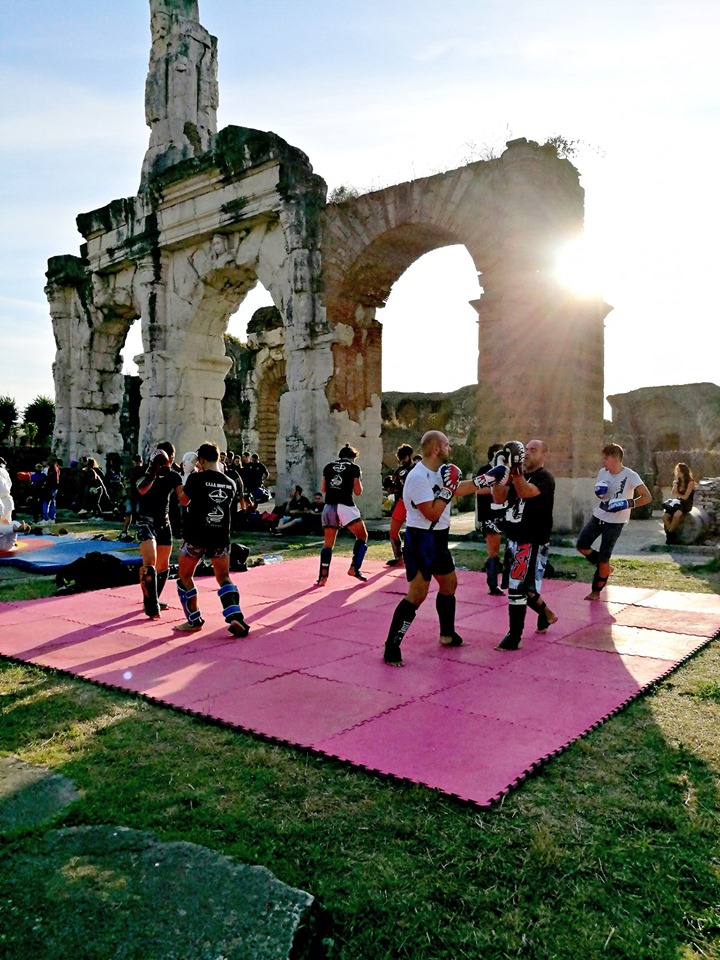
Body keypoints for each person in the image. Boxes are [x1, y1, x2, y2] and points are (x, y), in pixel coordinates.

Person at [382, 430, 484, 666]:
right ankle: (391, 646)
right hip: (421, 540)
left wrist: (486, 479)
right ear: (437, 448)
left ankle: (447, 634)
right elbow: (431, 513)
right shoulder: (417, 477)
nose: (451, 449)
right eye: (447, 445)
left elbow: (457, 488)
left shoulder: (439, 472)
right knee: (417, 594)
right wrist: (448, 490)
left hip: (439, 539)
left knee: (450, 584)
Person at [488, 439, 558, 651]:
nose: (527, 453)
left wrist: (516, 470)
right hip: (514, 537)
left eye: (533, 450)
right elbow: (499, 498)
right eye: (526, 449)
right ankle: (547, 614)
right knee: (519, 585)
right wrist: (499, 473)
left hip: (533, 539)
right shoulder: (517, 474)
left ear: (544, 456)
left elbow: (525, 492)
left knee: (518, 587)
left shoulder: (545, 478)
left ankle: (514, 635)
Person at [174, 441, 250, 637]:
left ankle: (194, 620)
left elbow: (183, 500)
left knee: (184, 576)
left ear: (200, 460)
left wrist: (187, 475)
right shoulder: (230, 482)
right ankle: (236, 615)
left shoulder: (196, 480)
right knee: (223, 577)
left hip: (196, 534)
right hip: (220, 535)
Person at [576, 442, 652, 601]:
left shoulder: (631, 475)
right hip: (599, 514)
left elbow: (647, 497)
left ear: (616, 458)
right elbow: (602, 495)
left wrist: (628, 503)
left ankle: (596, 591)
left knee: (604, 556)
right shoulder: (602, 473)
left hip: (616, 520)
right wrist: (599, 493)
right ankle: (605, 568)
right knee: (581, 545)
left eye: (606, 458)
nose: (603, 461)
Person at [135, 441, 185, 618]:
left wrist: (193, 477)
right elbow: (141, 490)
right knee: (150, 562)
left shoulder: (174, 476)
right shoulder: (146, 471)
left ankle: (153, 597)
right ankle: (151, 606)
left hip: (163, 522)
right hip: (145, 520)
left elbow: (184, 500)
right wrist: (153, 471)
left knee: (163, 565)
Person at [316, 444, 369, 585]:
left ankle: (323, 577)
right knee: (362, 536)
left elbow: (323, 488)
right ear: (353, 457)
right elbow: (358, 491)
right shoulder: (354, 467)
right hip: (345, 505)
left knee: (328, 544)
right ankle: (354, 568)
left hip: (329, 506)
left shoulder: (328, 466)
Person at [476, 442, 505, 595]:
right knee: (493, 551)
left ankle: (502, 577)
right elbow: (478, 490)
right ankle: (493, 584)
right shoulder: (485, 471)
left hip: (503, 515)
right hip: (489, 516)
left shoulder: (505, 471)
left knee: (507, 549)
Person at [385, 443, 414, 567]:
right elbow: (395, 489)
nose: (402, 460)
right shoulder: (398, 470)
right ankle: (399, 557)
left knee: (415, 531)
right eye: (400, 457)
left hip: (415, 503)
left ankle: (411, 556)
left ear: (409, 456)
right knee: (393, 531)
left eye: (404, 457)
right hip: (402, 502)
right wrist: (390, 485)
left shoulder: (418, 469)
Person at [663, 462, 696, 543]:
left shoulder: (690, 482)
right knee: (665, 516)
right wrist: (674, 485)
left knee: (677, 515)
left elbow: (685, 497)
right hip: (678, 502)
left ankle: (670, 533)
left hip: (686, 503)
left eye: (679, 471)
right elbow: (673, 493)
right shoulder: (678, 482)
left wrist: (677, 494)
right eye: (677, 470)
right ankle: (671, 531)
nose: (678, 472)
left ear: (684, 472)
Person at [118, 454, 145, 541]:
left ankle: (124, 532)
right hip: (139, 496)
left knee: (129, 514)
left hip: (132, 495)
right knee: (138, 515)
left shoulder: (131, 471)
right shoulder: (143, 471)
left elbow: (126, 483)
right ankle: (139, 533)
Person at [41, 456, 60, 522]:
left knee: (46, 502)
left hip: (50, 487)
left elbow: (49, 478)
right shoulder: (56, 468)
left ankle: (45, 518)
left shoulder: (52, 468)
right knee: (52, 502)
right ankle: (52, 518)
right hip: (54, 487)